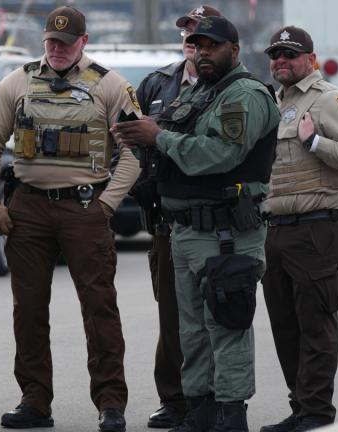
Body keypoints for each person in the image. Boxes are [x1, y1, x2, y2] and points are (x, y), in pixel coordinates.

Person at [0, 6, 141, 432]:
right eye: (51, 42)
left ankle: (110, 403)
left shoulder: (110, 85)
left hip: (85, 206)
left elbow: (134, 155)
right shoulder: (17, 82)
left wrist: (107, 204)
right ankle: (34, 401)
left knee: (99, 306)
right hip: (27, 207)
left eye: (66, 44)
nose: (57, 50)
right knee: (28, 309)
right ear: (43, 41)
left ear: (83, 43)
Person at [112, 16, 280, 432]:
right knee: (191, 331)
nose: (203, 52)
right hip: (185, 230)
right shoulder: (201, 93)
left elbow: (221, 154)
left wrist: (159, 138)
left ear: (234, 51)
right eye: (197, 45)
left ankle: (230, 415)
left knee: (226, 326)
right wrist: (138, 136)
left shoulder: (245, 94)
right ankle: (200, 412)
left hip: (226, 233)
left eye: (212, 46)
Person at [259, 26, 338, 432]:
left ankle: (317, 414)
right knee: (284, 326)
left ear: (310, 58)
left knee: (315, 324)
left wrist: (314, 144)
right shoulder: (271, 103)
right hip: (274, 230)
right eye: (275, 54)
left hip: (316, 229)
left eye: (290, 54)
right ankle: (301, 408)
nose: (281, 61)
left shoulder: (329, 101)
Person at [133, 4, 222, 429]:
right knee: (172, 315)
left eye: (201, 33)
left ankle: (217, 399)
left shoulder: (232, 87)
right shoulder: (156, 82)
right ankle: (173, 399)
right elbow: (129, 137)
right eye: (188, 31)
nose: (192, 39)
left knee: (218, 315)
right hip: (166, 218)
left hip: (217, 218)